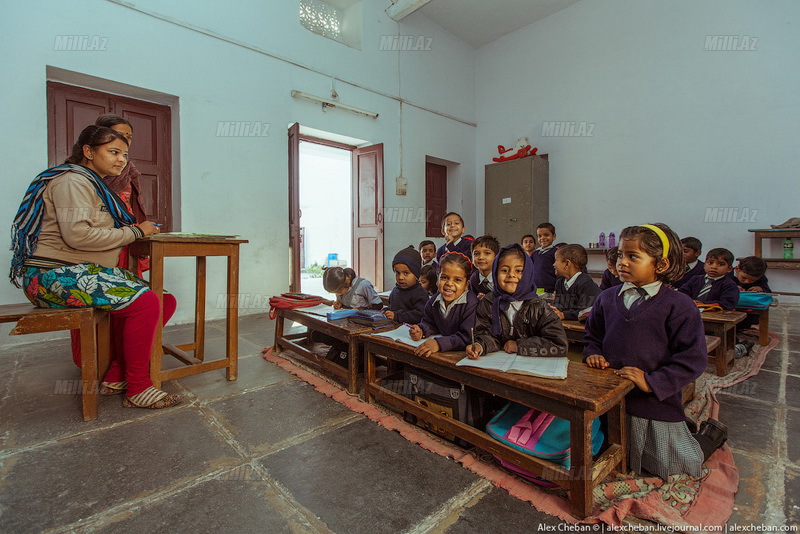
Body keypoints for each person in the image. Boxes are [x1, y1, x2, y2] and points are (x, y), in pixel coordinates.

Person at [10, 125, 179, 409]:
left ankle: (116, 373)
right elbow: (78, 235)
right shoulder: (72, 181)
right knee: (147, 303)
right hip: (51, 275)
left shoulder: (92, 184)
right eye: (113, 152)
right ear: (88, 151)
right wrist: (136, 232)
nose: (121, 160)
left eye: (124, 154)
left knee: (164, 300)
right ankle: (138, 387)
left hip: (79, 270)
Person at [584, 223, 726, 480]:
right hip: (609, 396)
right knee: (609, 452)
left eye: (632, 256)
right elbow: (592, 336)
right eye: (619, 255)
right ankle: (687, 428)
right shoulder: (606, 298)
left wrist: (652, 382)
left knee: (674, 464)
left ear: (660, 265)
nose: (621, 262)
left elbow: (692, 359)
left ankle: (710, 436)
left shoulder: (679, 305)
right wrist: (593, 353)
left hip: (651, 402)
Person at [466, 244, 567, 359]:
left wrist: (520, 346)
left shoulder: (539, 307)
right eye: (504, 270)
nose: (511, 275)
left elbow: (559, 344)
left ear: (528, 274)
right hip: (498, 364)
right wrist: (480, 346)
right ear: (495, 272)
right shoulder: (488, 303)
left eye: (519, 270)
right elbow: (484, 334)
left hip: (532, 367)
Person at [409, 252, 478, 358]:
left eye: (457, 280)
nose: (449, 283)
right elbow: (430, 323)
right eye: (444, 277)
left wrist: (439, 343)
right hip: (443, 354)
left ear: (466, 285)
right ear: (437, 279)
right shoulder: (433, 302)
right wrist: (421, 330)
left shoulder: (471, 304)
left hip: (463, 356)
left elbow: (467, 337)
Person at [549, 244, 601, 320]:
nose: (553, 264)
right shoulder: (559, 283)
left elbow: (585, 312)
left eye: (556, 260)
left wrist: (564, 315)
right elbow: (558, 306)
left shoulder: (586, 284)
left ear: (567, 264)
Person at [384, 246, 429, 324]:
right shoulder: (395, 291)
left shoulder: (420, 294)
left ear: (416, 275)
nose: (400, 277)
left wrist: (397, 316)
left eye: (406, 273)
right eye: (397, 273)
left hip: (410, 331)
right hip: (393, 328)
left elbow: (419, 315)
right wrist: (386, 311)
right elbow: (394, 308)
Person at [530, 222, 558, 293]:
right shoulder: (535, 254)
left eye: (546, 235)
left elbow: (559, 273)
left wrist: (557, 289)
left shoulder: (556, 253)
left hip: (550, 290)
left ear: (554, 236)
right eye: (539, 236)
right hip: (536, 289)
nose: (542, 238)